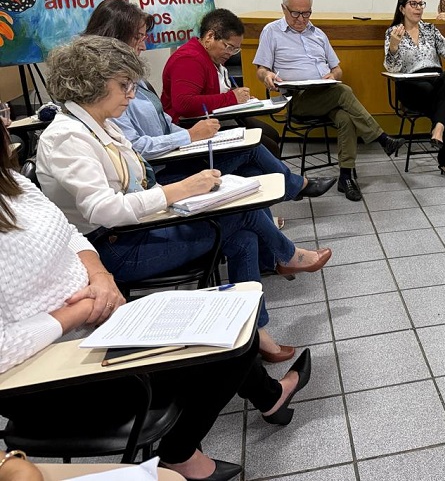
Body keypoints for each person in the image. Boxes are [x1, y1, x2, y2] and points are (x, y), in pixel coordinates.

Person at [0, 117, 312, 481]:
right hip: (46, 374)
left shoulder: (13, 184)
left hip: (98, 324)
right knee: (232, 348)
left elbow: (70, 234)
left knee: (234, 318)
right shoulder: (63, 140)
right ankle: (181, 453)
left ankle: (264, 400)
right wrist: (83, 309)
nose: (7, 121)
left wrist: (100, 277)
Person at [36, 36, 332, 363]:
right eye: (124, 86)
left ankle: (256, 332)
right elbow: (104, 210)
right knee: (240, 217)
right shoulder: (67, 137)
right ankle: (286, 257)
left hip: (137, 228)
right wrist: (182, 190)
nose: (131, 95)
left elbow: (138, 181)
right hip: (114, 248)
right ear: (92, 83)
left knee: (244, 236)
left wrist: (184, 194)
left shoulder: (100, 125)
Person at [82, 0, 336, 207]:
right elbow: (179, 108)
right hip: (165, 162)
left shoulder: (138, 77)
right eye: (138, 38)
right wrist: (192, 133)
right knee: (253, 148)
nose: (144, 45)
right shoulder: (182, 62)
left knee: (254, 160)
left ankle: (281, 212)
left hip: (178, 144)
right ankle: (296, 187)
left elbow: (164, 121)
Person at [254, 0, 403, 202]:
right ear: (284, 8)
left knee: (346, 118)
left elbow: (337, 69)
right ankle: (381, 138)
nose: (301, 19)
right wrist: (267, 76)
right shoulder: (271, 32)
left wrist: (333, 75)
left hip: (325, 93)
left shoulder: (318, 34)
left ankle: (346, 177)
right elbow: (261, 69)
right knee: (343, 91)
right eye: (295, 13)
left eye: (306, 13)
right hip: (297, 99)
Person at [161, 8, 281, 156]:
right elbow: (184, 103)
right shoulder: (189, 60)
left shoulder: (212, 57)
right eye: (229, 47)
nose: (230, 54)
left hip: (214, 118)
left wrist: (239, 97)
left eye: (235, 50)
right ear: (210, 36)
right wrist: (231, 98)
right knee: (266, 145)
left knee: (271, 134)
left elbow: (211, 91)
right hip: (190, 127)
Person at [384, 0, 445, 180]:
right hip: (410, 85)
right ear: (402, 8)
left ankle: (439, 128)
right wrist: (394, 46)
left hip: (434, 80)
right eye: (413, 4)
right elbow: (392, 68)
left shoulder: (430, 29)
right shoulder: (393, 32)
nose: (418, 8)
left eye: (421, 4)